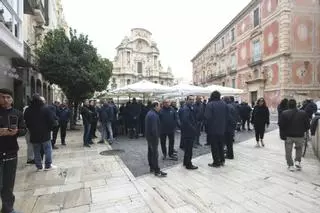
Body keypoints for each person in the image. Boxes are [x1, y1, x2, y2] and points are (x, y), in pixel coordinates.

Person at [0, 88, 26, 213]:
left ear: (12, 99)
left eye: (8, 97)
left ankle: (8, 209)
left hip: (11, 151)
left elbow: (24, 129)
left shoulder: (18, 113)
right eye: (2, 97)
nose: (5, 100)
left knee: (8, 184)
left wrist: (17, 132)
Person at [24, 94, 57, 171]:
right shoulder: (45, 108)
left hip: (34, 133)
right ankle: (48, 165)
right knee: (48, 149)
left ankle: (39, 166)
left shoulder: (28, 110)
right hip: (45, 133)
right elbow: (51, 120)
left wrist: (31, 129)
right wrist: (50, 129)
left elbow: (26, 121)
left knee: (36, 150)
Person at [279, 99, 310, 171]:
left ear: (288, 105)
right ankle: (297, 161)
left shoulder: (284, 113)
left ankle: (290, 165)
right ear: (296, 104)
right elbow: (308, 125)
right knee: (299, 149)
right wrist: (302, 130)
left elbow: (281, 125)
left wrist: (283, 135)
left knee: (288, 151)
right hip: (300, 135)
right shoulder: (303, 113)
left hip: (288, 136)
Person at [205, 91, 229, 168]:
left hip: (213, 129)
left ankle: (216, 162)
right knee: (220, 145)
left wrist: (207, 128)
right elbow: (227, 116)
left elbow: (207, 117)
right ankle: (222, 160)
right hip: (222, 129)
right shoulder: (224, 104)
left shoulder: (210, 104)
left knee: (214, 146)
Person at [145, 101, 167, 177]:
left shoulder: (149, 113)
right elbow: (154, 129)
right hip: (153, 138)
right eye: (159, 106)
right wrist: (157, 136)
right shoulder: (154, 115)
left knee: (150, 153)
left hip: (149, 137)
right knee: (155, 154)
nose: (160, 108)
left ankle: (152, 167)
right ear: (155, 106)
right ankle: (157, 170)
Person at [181, 96, 198, 170]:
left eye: (192, 100)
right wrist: (193, 128)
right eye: (190, 100)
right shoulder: (186, 109)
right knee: (189, 149)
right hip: (188, 132)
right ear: (186, 100)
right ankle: (189, 164)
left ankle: (185, 162)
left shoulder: (189, 108)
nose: (192, 101)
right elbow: (186, 121)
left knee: (188, 148)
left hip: (188, 132)